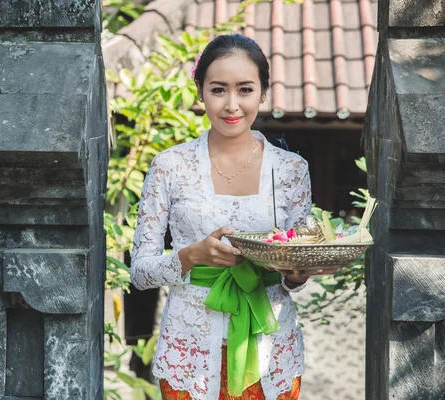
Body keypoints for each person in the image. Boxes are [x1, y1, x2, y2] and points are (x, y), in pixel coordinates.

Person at [130, 34, 336, 400]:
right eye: (218, 90)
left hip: (270, 346)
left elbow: (294, 274)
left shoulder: (291, 170)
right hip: (189, 345)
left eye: (244, 89)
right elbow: (140, 272)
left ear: (262, 93)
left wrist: (296, 274)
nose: (231, 105)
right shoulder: (169, 166)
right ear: (200, 91)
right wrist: (191, 256)